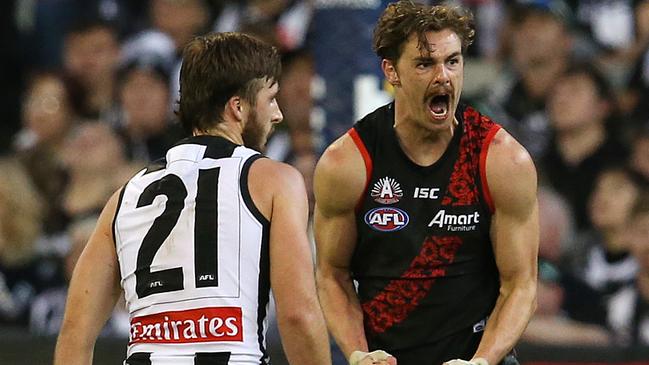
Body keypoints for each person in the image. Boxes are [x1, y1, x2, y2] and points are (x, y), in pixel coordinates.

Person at [54, 32, 331, 365]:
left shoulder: (125, 196)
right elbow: (298, 314)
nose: (278, 114)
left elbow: (74, 333)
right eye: (270, 99)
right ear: (238, 107)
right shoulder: (275, 181)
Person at [313, 2, 539, 365]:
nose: (443, 77)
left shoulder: (502, 160)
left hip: (475, 357)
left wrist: (483, 361)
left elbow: (521, 285)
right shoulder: (347, 162)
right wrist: (358, 353)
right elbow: (332, 274)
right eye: (425, 63)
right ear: (392, 71)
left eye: (452, 61)